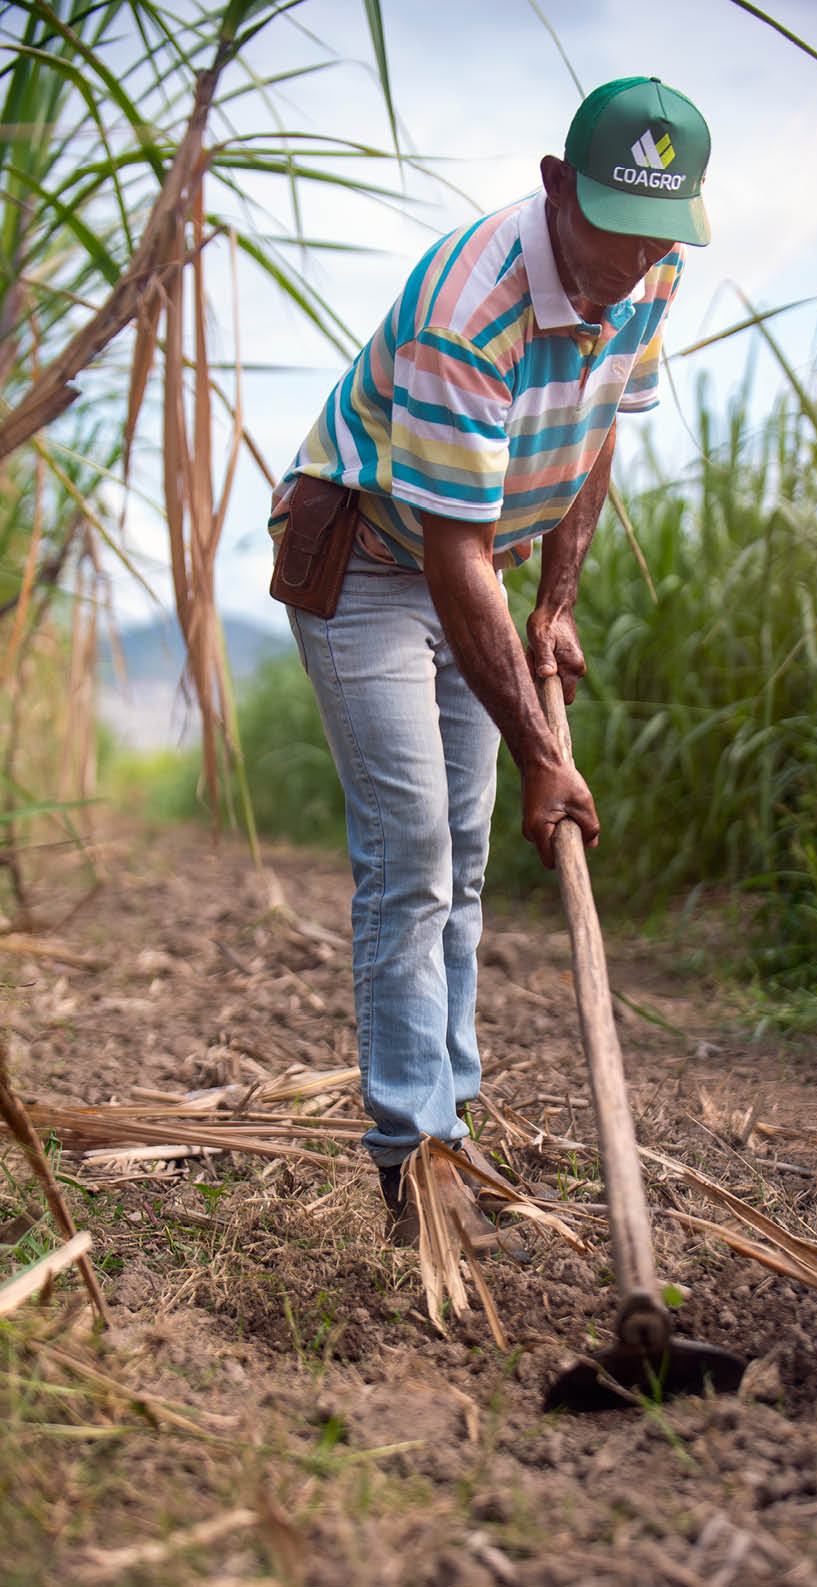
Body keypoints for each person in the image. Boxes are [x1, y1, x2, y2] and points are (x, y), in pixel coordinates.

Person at [269, 76, 711, 1242]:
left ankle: (451, 1123)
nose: (631, 265)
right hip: (370, 562)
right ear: (556, 185)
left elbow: (596, 425)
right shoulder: (471, 304)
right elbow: (455, 557)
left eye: (658, 235)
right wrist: (539, 757)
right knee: (413, 848)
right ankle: (412, 1157)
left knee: (462, 859)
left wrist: (554, 604)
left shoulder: (651, 266)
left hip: (480, 562)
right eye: (613, 226)